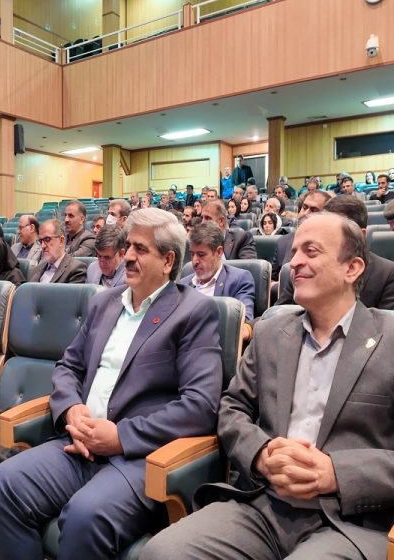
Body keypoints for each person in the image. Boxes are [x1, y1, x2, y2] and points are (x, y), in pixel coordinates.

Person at [143, 212, 393, 560]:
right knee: (162, 551)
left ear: (352, 268)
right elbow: (232, 409)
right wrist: (260, 453)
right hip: (263, 505)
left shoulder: (389, 339)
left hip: (348, 520)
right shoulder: (271, 333)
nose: (295, 262)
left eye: (311, 251)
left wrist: (337, 473)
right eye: (294, 251)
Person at [0, 208, 222, 559]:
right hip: (79, 444)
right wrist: (71, 408)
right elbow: (68, 366)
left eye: (140, 249)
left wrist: (120, 437)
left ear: (168, 260)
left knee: (85, 516)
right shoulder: (104, 302)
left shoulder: (194, 312)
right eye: (128, 246)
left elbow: (200, 406)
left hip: (139, 457)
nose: (127, 256)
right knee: (5, 484)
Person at [276, 195, 394, 309]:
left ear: (361, 235)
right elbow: (278, 314)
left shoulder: (387, 274)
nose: (294, 262)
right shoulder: (301, 271)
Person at [180, 222, 255, 341]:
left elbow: (243, 320)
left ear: (219, 252)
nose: (194, 261)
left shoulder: (239, 280)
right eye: (192, 254)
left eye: (201, 255)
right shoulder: (181, 285)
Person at [271, 190, 330, 282]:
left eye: (313, 210)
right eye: (304, 207)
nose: (305, 213)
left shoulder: (331, 244)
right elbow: (272, 280)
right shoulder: (283, 241)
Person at [29, 219, 87, 284]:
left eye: (47, 239)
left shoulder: (76, 269)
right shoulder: (36, 269)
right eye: (40, 241)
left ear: (61, 241)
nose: (43, 246)